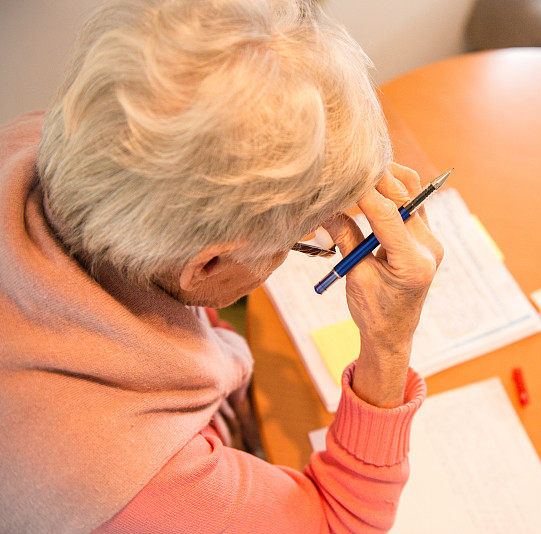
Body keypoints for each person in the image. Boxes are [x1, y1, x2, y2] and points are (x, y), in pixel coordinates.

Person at [0, 0, 443, 532]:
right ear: (207, 266)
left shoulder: (32, 139)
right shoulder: (141, 481)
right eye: (298, 242)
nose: (299, 246)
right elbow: (339, 523)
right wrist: (389, 345)